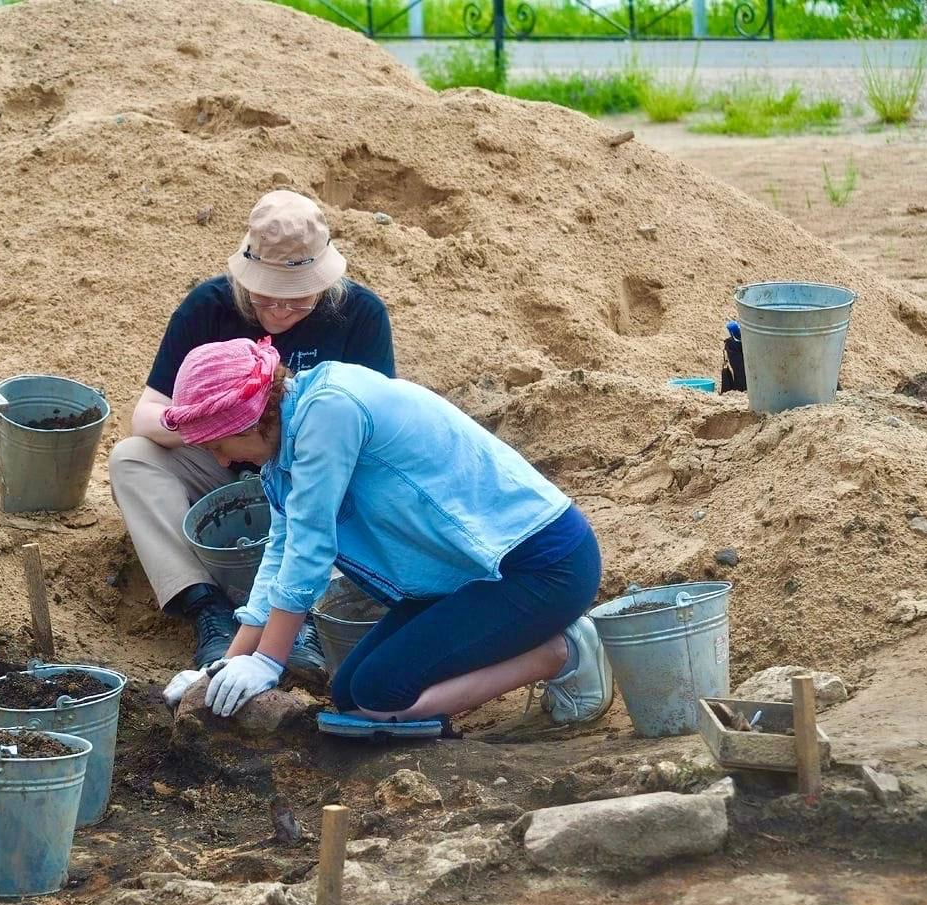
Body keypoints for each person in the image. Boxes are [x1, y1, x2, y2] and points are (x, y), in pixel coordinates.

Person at [158, 338, 613, 730]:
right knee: (352, 694)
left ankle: (561, 650)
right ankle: (545, 637)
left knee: (380, 700)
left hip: (541, 565)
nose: (220, 461)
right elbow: (281, 548)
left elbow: (311, 547)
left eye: (219, 446)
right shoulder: (286, 436)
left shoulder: (330, 410)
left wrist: (269, 662)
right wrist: (229, 663)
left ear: (252, 420)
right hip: (464, 574)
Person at [109, 190, 395, 672]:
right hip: (226, 463)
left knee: (353, 492)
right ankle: (208, 610)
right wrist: (221, 425)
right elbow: (147, 413)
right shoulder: (208, 307)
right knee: (132, 459)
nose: (280, 313)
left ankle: (308, 618)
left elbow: (374, 424)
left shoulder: (361, 315)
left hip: (317, 474)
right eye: (265, 297)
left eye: (298, 301)